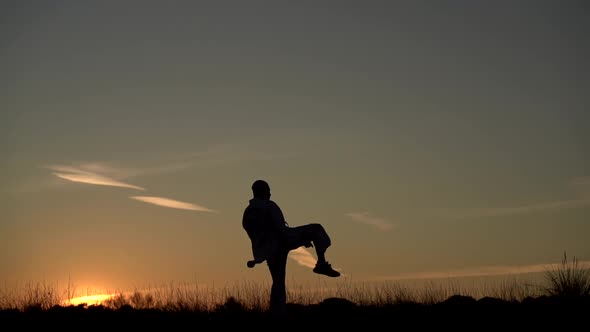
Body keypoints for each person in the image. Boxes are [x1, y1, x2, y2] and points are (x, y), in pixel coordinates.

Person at [242, 179, 340, 315]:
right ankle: (321, 263)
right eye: (268, 190)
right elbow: (280, 229)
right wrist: (297, 239)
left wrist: (261, 254)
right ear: (262, 191)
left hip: (269, 250)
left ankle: (277, 313)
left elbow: (252, 232)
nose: (270, 193)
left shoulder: (248, 212)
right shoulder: (268, 206)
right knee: (316, 229)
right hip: (282, 240)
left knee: (278, 282)